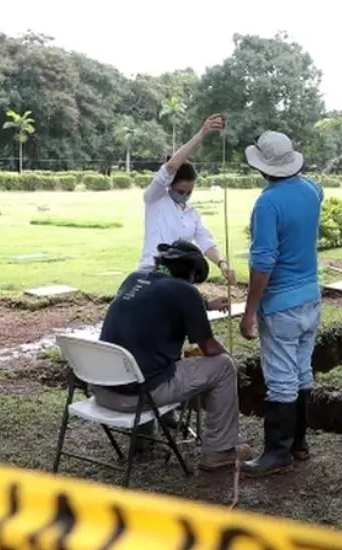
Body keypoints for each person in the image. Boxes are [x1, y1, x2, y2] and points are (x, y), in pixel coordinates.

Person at [95, 240, 251, 471]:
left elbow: (158, 303)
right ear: (190, 272)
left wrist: (204, 305)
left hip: (103, 390)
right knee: (224, 366)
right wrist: (229, 354)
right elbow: (209, 348)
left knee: (143, 355)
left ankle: (143, 437)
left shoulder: (134, 278)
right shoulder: (185, 291)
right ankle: (219, 451)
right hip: (136, 398)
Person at [237, 131, 324, 477]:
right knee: (302, 372)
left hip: (281, 304)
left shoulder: (268, 203)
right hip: (311, 297)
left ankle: (277, 453)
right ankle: (299, 444)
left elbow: (263, 262)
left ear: (262, 167)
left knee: (281, 380)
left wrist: (249, 312)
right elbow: (316, 195)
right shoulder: (312, 190)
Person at [137, 114, 237, 297]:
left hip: (180, 278)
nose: (184, 196)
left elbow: (205, 242)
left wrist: (222, 264)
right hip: (152, 273)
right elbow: (171, 167)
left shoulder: (192, 213)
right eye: (180, 191)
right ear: (170, 185)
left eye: (189, 192)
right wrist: (202, 134)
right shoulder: (155, 198)